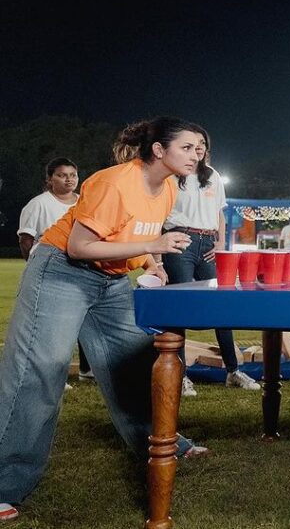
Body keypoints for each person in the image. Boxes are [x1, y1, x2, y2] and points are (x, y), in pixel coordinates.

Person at [0, 117, 208, 523]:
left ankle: (163, 443)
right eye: (187, 146)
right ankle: (5, 483)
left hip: (110, 280)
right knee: (39, 371)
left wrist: (153, 261)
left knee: (134, 362)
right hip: (61, 271)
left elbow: (136, 233)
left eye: (200, 147)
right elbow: (79, 247)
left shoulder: (166, 187)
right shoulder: (114, 182)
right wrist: (155, 244)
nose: (196, 153)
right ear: (159, 150)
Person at [162, 125, 260, 397]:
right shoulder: (173, 174)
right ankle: (179, 376)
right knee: (179, 307)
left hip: (208, 243)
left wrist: (219, 243)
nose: (199, 148)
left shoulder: (213, 176)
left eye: (202, 143)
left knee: (221, 306)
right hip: (180, 239)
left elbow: (220, 213)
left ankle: (232, 371)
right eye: (192, 144)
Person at [17, 158, 91, 388]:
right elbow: (26, 238)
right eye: (62, 175)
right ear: (49, 179)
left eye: (73, 174)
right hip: (52, 267)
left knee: (87, 320)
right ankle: (53, 374)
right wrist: (34, 268)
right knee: (56, 326)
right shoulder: (39, 204)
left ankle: (88, 370)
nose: (69, 179)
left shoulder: (84, 202)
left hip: (84, 266)